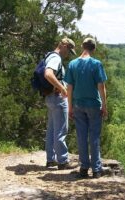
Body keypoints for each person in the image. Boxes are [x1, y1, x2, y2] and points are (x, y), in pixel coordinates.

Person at [64, 37, 108, 178]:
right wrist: (104, 106)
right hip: (94, 105)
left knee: (81, 136)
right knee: (94, 137)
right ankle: (96, 170)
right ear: (93, 48)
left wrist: (70, 107)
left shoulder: (72, 64)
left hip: (78, 105)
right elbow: (101, 86)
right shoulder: (96, 64)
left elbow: (69, 88)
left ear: (83, 47)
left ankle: (84, 168)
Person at [44, 37, 78, 170]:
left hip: (50, 97)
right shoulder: (56, 58)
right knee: (61, 131)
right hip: (58, 98)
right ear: (63, 45)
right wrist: (62, 88)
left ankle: (50, 159)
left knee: (52, 129)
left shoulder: (49, 56)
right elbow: (48, 74)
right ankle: (63, 161)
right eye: (69, 50)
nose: (68, 53)